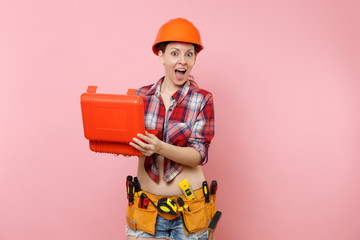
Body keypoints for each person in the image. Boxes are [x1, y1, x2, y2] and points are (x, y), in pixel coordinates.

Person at [126, 18, 216, 240]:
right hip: (146, 209)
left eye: (189, 54)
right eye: (175, 53)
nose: (182, 61)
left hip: (190, 210)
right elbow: (128, 142)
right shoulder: (140, 97)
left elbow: (198, 155)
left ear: (195, 58)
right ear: (161, 56)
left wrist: (159, 147)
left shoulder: (202, 100)